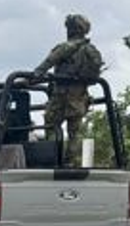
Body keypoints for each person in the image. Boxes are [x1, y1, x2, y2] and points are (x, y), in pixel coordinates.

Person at [34, 14, 103, 166]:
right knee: (74, 133)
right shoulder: (90, 50)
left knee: (51, 124)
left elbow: (47, 63)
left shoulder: (66, 47)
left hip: (62, 95)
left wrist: (32, 77)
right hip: (80, 98)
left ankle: (53, 159)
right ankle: (69, 162)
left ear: (72, 29)